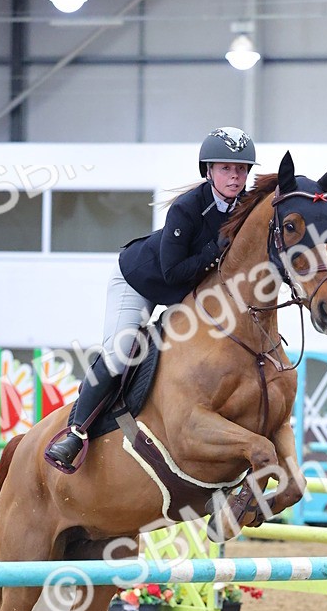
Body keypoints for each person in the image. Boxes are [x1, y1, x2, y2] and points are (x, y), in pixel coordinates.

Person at [45, 127, 257, 471]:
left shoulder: (245, 208)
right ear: (208, 171)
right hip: (141, 280)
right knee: (121, 352)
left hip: (186, 294)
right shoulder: (187, 209)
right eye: (225, 168)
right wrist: (213, 251)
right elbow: (173, 272)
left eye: (241, 169)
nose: (234, 176)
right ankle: (75, 433)